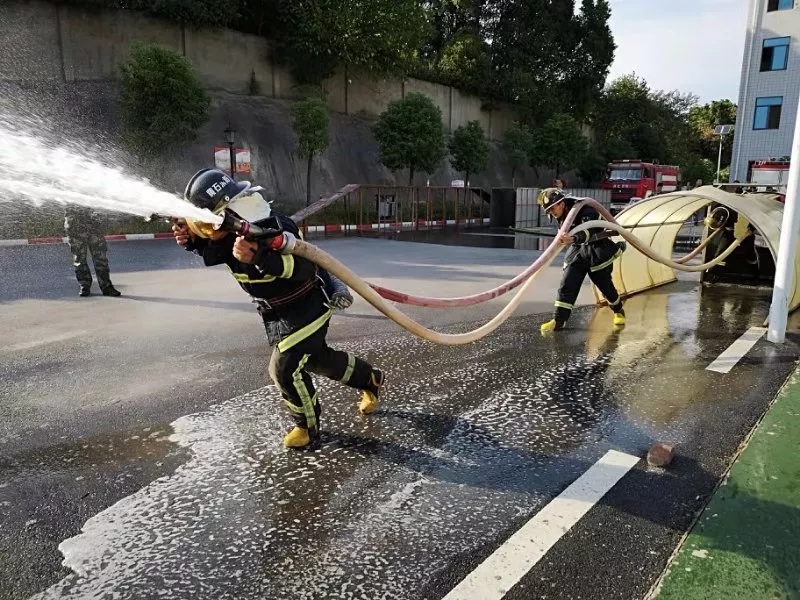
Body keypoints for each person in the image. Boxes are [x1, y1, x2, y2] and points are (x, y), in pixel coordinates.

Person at [173, 168, 383, 449]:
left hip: (308, 304)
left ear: (228, 211)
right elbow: (214, 249)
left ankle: (306, 427)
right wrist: (191, 241)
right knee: (315, 359)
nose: (207, 230)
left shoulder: (273, 226)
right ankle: (370, 378)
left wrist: (259, 257)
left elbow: (304, 267)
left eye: (208, 223)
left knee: (283, 368)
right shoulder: (227, 233)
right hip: (277, 312)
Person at [538, 188, 626, 332]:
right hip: (578, 249)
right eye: (548, 210)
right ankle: (559, 320)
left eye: (552, 208)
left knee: (605, 286)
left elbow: (589, 229)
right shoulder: (560, 213)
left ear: (561, 203)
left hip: (597, 248)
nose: (551, 213)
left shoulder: (585, 209)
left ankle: (618, 311)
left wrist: (574, 238)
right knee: (567, 283)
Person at [64, 204, 121, 297]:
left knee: (100, 258)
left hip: (94, 226)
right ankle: (84, 285)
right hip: (75, 227)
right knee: (79, 258)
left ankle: (106, 286)